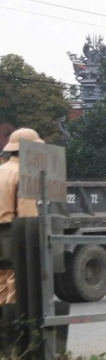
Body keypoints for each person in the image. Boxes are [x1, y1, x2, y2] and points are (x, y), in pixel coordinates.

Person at [0, 128, 43, 305]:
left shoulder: (2, 170)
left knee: (2, 282)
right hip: (13, 233)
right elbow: (28, 218)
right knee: (16, 283)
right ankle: (14, 329)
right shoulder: (25, 174)